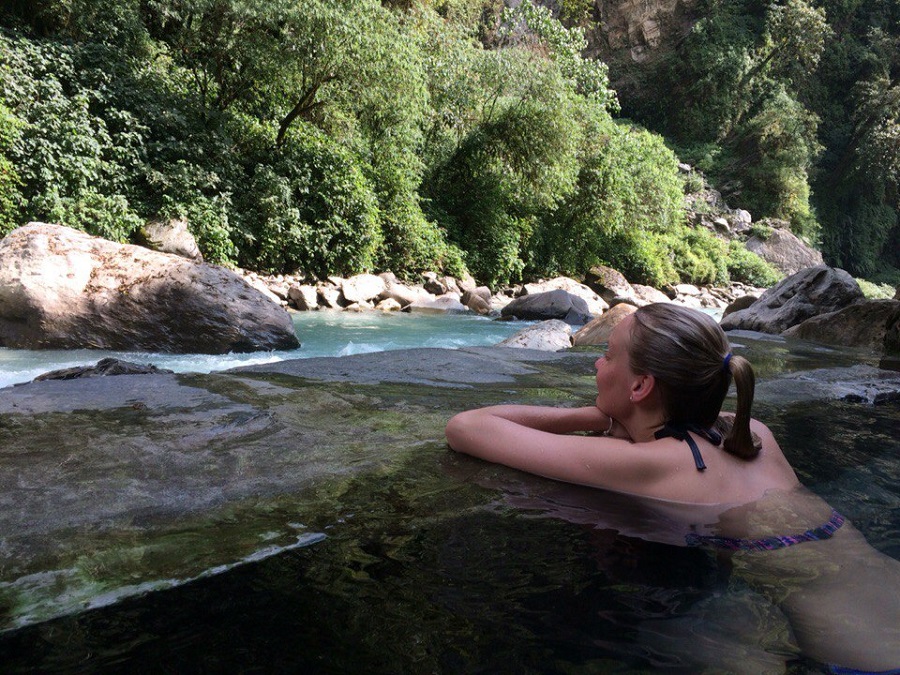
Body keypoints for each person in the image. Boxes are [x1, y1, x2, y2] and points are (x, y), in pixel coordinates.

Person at [445, 303, 900, 674]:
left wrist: (599, 415)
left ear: (641, 385)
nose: (596, 363)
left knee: (678, 636)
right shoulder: (752, 433)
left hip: (861, 652)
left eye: (606, 354)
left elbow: (467, 427)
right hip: (883, 595)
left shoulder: (647, 463)